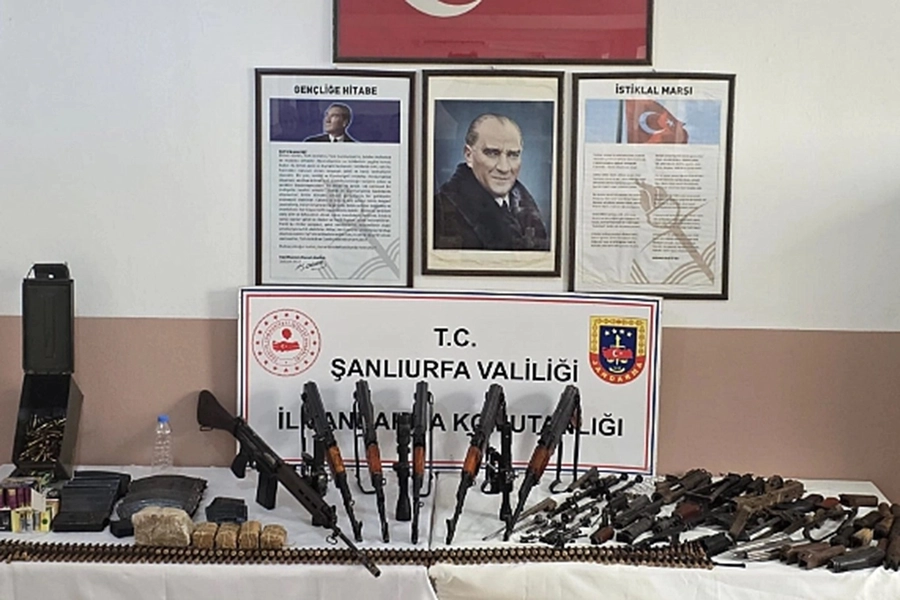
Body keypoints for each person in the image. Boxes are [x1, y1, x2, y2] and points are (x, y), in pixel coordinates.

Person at [434, 113, 549, 251]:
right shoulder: (440, 212)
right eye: (492, 153)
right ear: (469, 155)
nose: (504, 168)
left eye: (513, 155)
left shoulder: (527, 209)